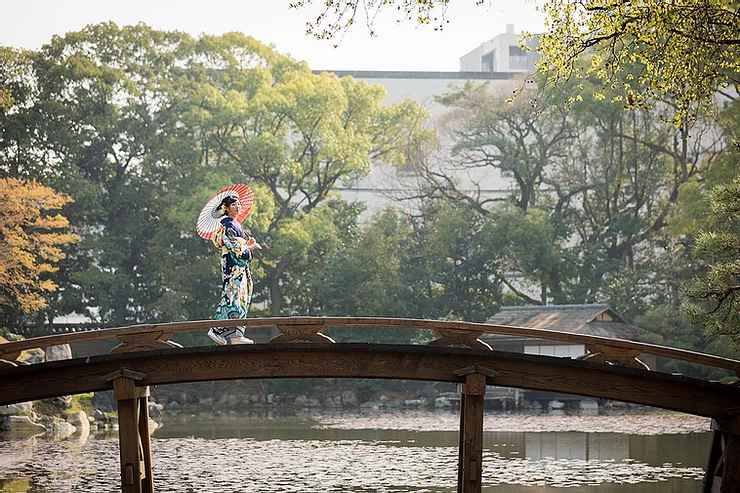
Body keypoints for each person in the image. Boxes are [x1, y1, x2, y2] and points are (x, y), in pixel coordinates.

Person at [207, 193, 261, 345]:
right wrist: (249, 246)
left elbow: (240, 245)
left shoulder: (235, 224)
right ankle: (217, 328)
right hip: (233, 266)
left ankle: (236, 335)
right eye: (233, 205)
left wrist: (247, 242)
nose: (238, 206)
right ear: (226, 208)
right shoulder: (227, 225)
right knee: (232, 297)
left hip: (240, 268)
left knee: (242, 297)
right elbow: (235, 248)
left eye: (238, 204)